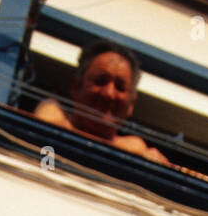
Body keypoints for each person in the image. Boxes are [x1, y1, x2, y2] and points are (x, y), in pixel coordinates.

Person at [33, 38, 172, 165]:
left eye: (120, 87)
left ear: (131, 105)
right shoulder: (53, 112)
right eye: (101, 81)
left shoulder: (134, 146)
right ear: (76, 87)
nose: (109, 94)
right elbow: (46, 128)